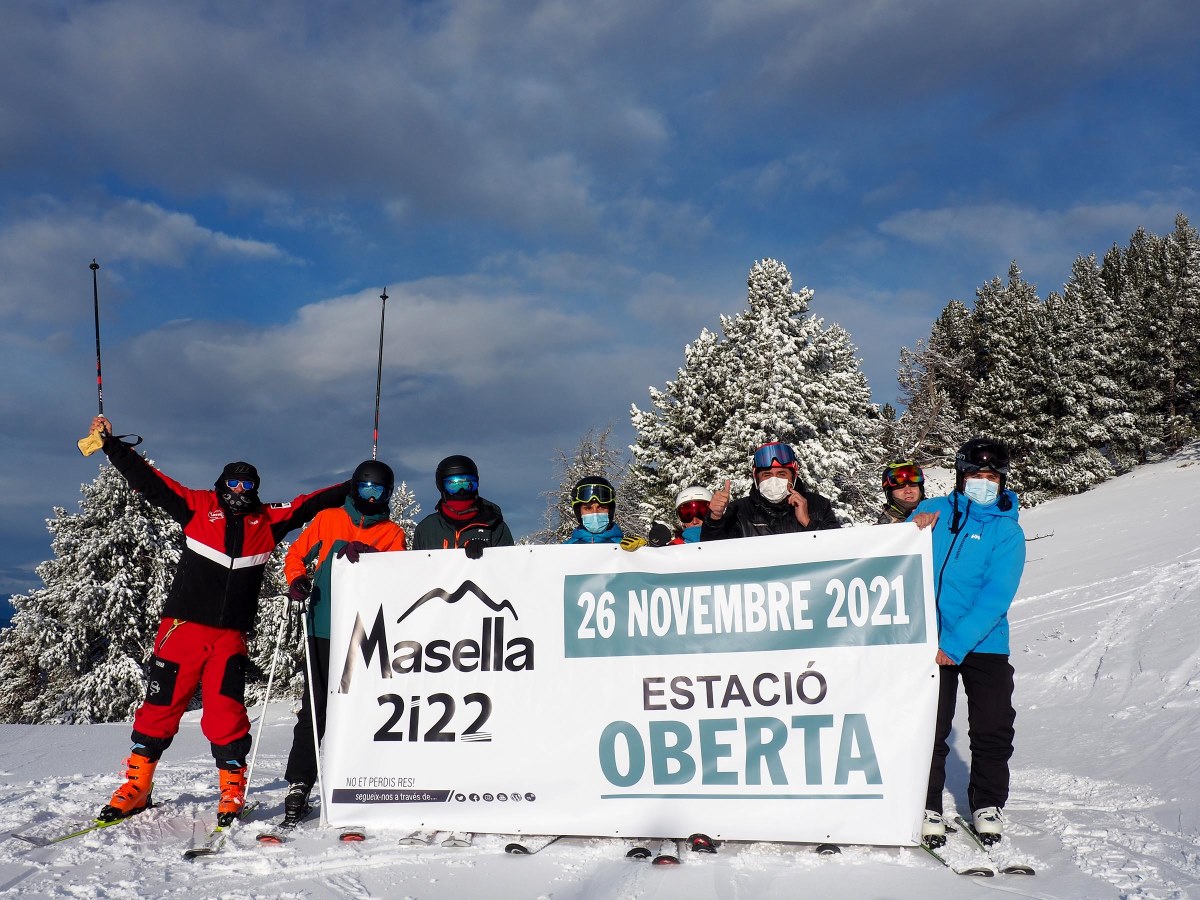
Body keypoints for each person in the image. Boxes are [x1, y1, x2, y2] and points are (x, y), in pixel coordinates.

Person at [87, 415, 349, 826]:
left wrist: (361, 482)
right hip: (182, 628)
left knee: (226, 712)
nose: (239, 491)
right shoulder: (196, 506)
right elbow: (151, 481)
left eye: (247, 485)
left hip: (230, 636)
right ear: (220, 484)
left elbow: (309, 503)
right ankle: (137, 785)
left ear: (256, 489)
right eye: (232, 484)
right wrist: (110, 444)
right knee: (161, 704)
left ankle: (231, 789)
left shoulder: (268, 521)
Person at [911, 438, 1026, 849]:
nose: (983, 483)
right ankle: (925, 804)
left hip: (984, 643)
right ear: (961, 477)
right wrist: (912, 529)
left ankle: (987, 803)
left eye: (991, 477)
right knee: (930, 727)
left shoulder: (1007, 531)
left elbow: (997, 595)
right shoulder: (936, 513)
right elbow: (895, 558)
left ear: (1001, 481)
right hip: (930, 641)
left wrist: (955, 644)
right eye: (976, 475)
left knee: (993, 725)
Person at [280, 459, 407, 824]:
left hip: (365, 633)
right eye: (365, 488)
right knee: (314, 708)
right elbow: (296, 555)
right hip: (322, 625)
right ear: (354, 488)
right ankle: (300, 783)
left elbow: (400, 579)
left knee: (364, 708)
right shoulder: (328, 519)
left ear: (387, 494)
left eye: (378, 490)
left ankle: (361, 779)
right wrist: (298, 579)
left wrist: (376, 560)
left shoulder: (392, 533)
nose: (370, 495)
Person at [701, 441, 841, 540]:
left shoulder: (818, 505)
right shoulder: (739, 511)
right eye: (767, 475)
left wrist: (807, 522)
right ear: (757, 478)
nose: (774, 480)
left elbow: (842, 548)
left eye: (781, 474)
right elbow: (712, 555)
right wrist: (715, 518)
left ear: (794, 476)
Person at [410, 455, 514, 555]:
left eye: (469, 484)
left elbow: (509, 566)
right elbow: (417, 568)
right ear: (441, 487)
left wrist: (488, 554)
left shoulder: (494, 526)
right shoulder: (427, 529)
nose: (462, 491)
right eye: (454, 485)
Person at [563, 476, 623, 544]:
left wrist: (636, 552)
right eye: (588, 508)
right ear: (579, 512)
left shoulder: (624, 547)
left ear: (610, 511)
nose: (595, 513)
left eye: (601, 507)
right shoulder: (564, 550)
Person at [877, 460, 926, 525]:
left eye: (913, 485)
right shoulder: (882, 530)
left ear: (920, 489)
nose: (908, 491)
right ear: (890, 493)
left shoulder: (937, 512)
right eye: (900, 487)